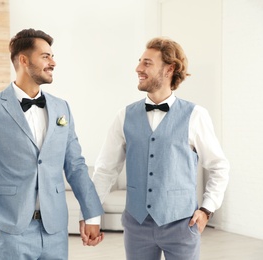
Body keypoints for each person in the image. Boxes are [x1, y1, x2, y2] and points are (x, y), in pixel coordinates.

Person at [0, 28, 104, 260]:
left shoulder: (61, 107)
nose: (53, 62)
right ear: (24, 60)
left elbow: (75, 165)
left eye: (52, 56)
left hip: (55, 229)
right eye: (45, 56)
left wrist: (92, 214)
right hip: (11, 228)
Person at [88, 37, 230, 259]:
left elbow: (219, 166)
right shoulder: (124, 115)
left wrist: (206, 210)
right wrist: (92, 216)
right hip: (137, 226)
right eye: (139, 62)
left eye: (147, 63)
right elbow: (105, 169)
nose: (138, 68)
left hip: (182, 225)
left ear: (169, 69)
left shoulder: (195, 115)